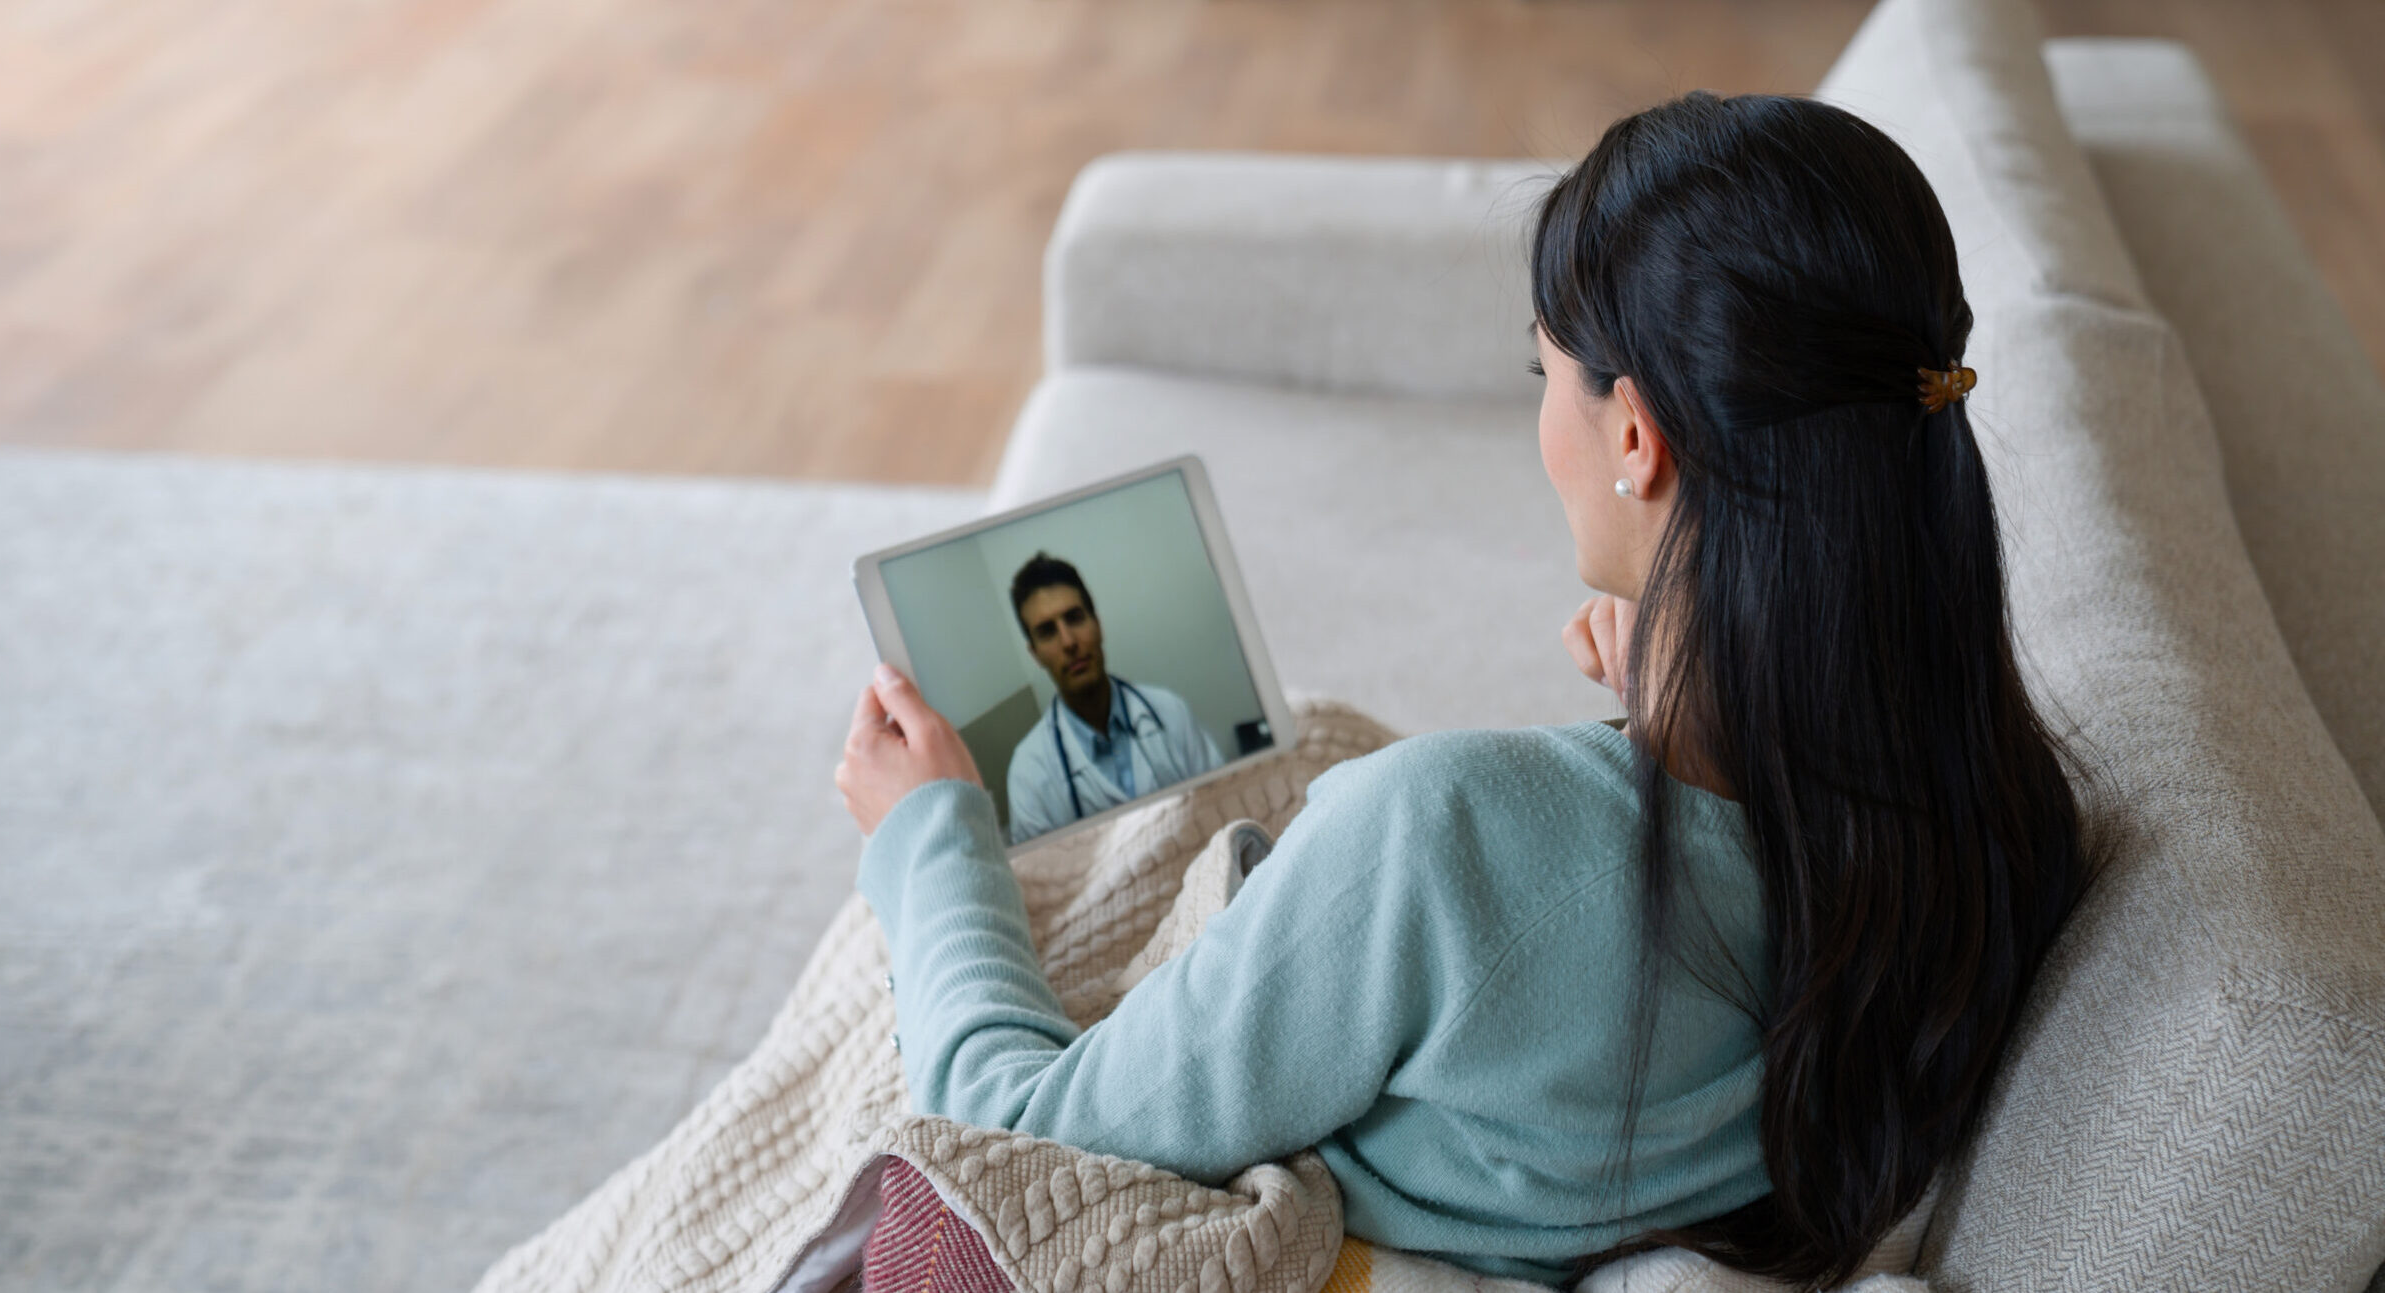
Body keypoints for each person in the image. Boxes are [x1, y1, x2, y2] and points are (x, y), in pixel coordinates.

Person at [833, 91, 2090, 1286]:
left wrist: (927, 838)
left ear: (1637, 439)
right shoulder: (1998, 824)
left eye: (1541, 375)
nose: (1542, 414)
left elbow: (1016, 1135)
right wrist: (1687, 705)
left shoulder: (1443, 835)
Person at [998, 552, 1225, 843]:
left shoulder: (1169, 711)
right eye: (1047, 632)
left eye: (1075, 618)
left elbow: (1225, 803)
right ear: (1035, 654)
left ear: (1098, 624)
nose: (1068, 642)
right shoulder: (1028, 773)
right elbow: (1050, 883)